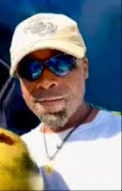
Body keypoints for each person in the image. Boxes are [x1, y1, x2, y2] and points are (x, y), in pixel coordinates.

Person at [10, 12, 121, 190]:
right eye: (30, 69)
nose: (46, 82)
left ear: (84, 68)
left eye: (61, 63)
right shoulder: (10, 155)